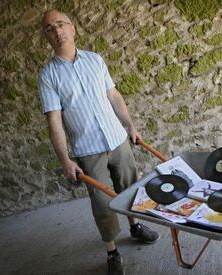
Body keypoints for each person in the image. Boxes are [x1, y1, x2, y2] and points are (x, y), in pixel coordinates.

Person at [38, 9, 159, 275]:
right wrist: (65, 159)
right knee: (103, 203)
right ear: (46, 37)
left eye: (61, 24)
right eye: (50, 29)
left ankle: (135, 227)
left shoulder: (95, 60)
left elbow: (113, 95)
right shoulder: (48, 76)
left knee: (130, 188)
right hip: (88, 150)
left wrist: (130, 126)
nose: (57, 31)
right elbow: (54, 121)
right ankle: (112, 251)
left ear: (73, 28)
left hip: (118, 139)